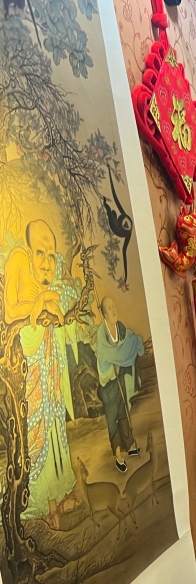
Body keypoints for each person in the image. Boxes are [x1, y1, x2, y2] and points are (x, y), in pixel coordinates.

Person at [3, 220, 78, 517]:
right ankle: (44, 504)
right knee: (37, 425)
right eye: (41, 254)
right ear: (29, 251)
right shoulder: (18, 261)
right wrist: (44, 300)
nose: (46, 262)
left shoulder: (54, 270)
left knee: (55, 421)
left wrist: (48, 299)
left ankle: (59, 493)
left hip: (49, 356)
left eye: (51, 255)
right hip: (29, 358)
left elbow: (68, 292)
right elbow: (11, 311)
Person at [95, 296, 145, 472]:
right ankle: (118, 454)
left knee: (123, 410)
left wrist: (133, 341)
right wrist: (115, 356)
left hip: (120, 377)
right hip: (109, 381)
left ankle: (130, 445)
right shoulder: (102, 333)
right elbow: (105, 354)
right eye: (109, 307)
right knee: (113, 417)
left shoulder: (120, 327)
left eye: (114, 306)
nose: (114, 310)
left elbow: (130, 338)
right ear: (104, 313)